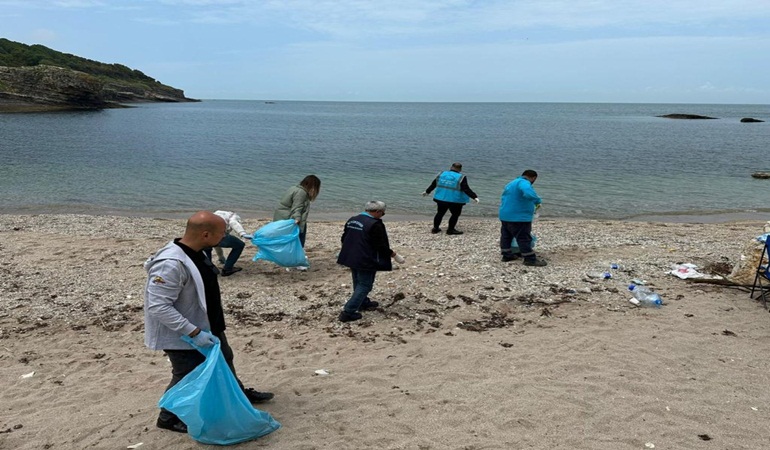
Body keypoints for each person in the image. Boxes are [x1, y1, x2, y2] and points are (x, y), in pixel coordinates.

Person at [144, 211, 274, 434]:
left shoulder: (197, 252)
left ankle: (239, 396)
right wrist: (194, 332)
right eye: (222, 234)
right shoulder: (170, 264)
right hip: (186, 333)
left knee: (225, 359)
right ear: (205, 234)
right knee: (186, 373)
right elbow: (158, 306)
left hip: (209, 324)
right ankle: (167, 417)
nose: (224, 238)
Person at [336, 201, 405, 322]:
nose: (383, 215)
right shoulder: (374, 224)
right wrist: (394, 255)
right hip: (365, 258)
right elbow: (380, 245)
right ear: (378, 212)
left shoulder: (353, 220)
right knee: (365, 284)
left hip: (351, 255)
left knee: (357, 280)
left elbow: (344, 237)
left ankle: (362, 302)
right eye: (383, 213)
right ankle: (348, 311)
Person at [499, 170, 547, 267]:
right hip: (519, 216)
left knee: (506, 236)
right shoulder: (524, 183)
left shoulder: (511, 183)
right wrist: (537, 200)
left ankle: (507, 255)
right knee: (524, 237)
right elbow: (528, 193)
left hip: (505, 214)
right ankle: (529, 259)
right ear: (533, 178)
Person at [423, 162, 479, 235]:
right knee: (455, 214)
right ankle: (450, 230)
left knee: (440, 213)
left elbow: (434, 184)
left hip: (441, 198)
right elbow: (466, 189)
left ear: (451, 167)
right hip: (455, 200)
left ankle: (435, 229)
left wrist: (427, 191)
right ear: (460, 169)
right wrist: (474, 197)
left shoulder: (442, 174)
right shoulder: (461, 177)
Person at [273, 175, 321, 248]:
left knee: (284, 241)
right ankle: (294, 256)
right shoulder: (301, 192)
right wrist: (297, 219)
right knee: (298, 241)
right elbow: (297, 207)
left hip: (281, 217)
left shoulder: (294, 188)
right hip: (289, 218)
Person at [206, 210, 252, 277]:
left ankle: (207, 270)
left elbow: (215, 243)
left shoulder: (217, 213)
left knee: (207, 248)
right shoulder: (233, 216)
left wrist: (220, 256)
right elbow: (234, 223)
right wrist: (243, 233)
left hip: (204, 234)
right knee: (240, 245)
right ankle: (227, 269)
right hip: (217, 235)